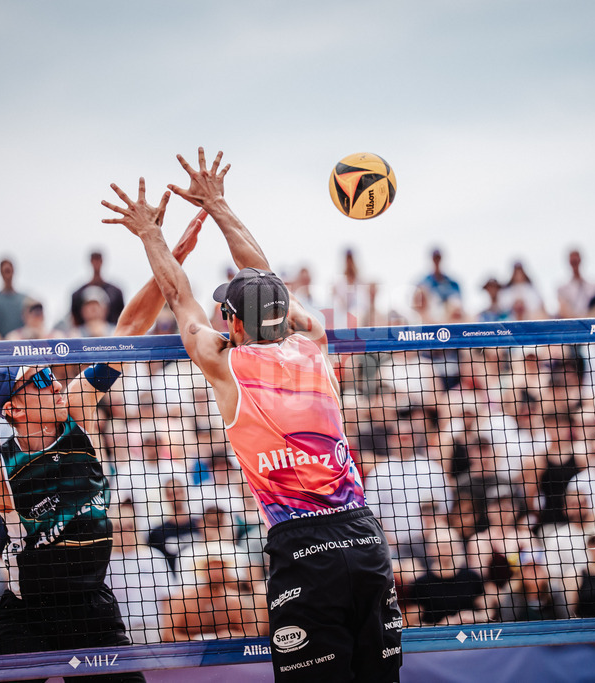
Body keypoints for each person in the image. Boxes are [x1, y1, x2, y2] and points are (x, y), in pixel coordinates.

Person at [104, 147, 402, 682]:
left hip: (303, 548)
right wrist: (219, 204)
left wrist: (150, 232)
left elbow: (177, 294)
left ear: (233, 321)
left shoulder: (224, 361)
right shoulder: (313, 343)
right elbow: (264, 278)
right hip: (364, 537)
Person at [0, 214, 204, 683]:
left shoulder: (75, 407)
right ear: (13, 409)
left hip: (93, 608)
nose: (53, 381)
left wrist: (169, 255)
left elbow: (130, 327)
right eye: (37, 380)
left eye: (48, 373)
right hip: (28, 617)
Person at [71, 250, 125, 327]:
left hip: (111, 334)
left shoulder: (116, 292)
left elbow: (122, 318)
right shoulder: (77, 294)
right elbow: (74, 320)